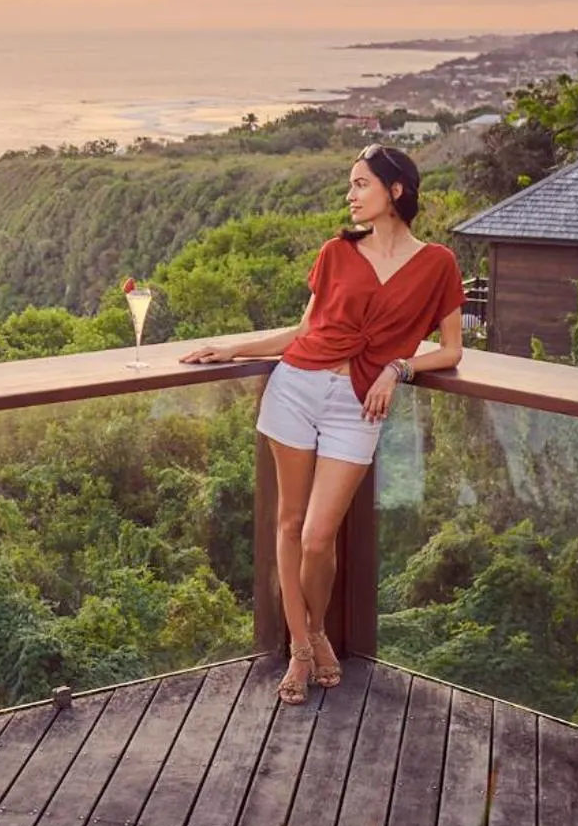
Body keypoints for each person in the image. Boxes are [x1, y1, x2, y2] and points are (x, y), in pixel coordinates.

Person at [179, 144, 465, 706]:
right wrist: (231, 349)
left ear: (396, 191)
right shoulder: (337, 251)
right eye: (350, 185)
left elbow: (453, 348)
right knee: (288, 526)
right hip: (296, 387)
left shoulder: (438, 264)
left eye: (361, 184)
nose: (351, 195)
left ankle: (310, 633)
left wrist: (397, 368)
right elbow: (301, 330)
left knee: (317, 535)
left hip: (358, 404)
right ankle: (305, 645)